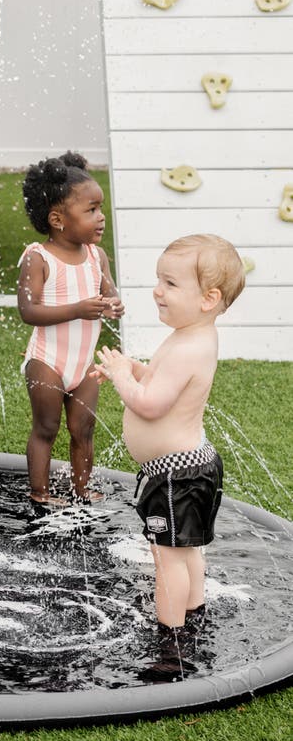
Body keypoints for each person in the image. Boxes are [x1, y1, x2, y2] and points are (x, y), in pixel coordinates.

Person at [92, 233, 245, 679]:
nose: (157, 291)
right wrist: (134, 369)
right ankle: (195, 615)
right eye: (159, 280)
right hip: (188, 467)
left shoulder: (189, 344)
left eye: (170, 283)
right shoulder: (190, 337)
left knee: (167, 560)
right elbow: (161, 382)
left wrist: (124, 378)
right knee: (187, 552)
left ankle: (170, 645)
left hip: (175, 475)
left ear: (208, 298)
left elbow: (151, 404)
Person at [17, 152, 123, 505]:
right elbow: (29, 311)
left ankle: (81, 490)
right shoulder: (39, 257)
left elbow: (109, 293)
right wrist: (79, 308)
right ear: (58, 219)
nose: (101, 217)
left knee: (84, 430)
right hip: (47, 360)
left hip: (83, 365)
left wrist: (114, 305)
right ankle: (40, 493)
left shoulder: (97, 256)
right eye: (91, 210)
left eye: (100, 208)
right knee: (46, 428)